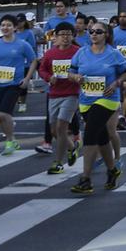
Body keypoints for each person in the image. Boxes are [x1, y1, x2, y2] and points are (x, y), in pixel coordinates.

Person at [68, 21, 126, 193]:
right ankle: (112, 170)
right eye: (91, 31)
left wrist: (116, 83)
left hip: (107, 99)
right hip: (86, 99)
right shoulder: (81, 52)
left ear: (106, 35)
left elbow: (125, 72)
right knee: (101, 138)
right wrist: (75, 77)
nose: (93, 34)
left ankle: (85, 178)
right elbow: (70, 71)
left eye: (98, 32)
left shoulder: (114, 54)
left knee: (91, 133)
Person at [0, 15, 38, 155]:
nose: (5, 28)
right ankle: (12, 140)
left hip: (14, 84)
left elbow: (34, 61)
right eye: (3, 25)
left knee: (4, 113)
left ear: (15, 28)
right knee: (0, 116)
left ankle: (10, 142)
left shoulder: (22, 44)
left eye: (9, 25)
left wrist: (27, 78)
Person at [38, 22, 81, 174]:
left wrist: (77, 77)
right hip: (54, 94)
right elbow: (42, 69)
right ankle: (71, 148)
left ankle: (57, 163)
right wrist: (49, 78)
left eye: (68, 34)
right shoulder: (50, 54)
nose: (65, 37)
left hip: (72, 94)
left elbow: (85, 67)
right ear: (55, 36)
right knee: (54, 131)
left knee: (62, 127)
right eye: (62, 34)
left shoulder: (78, 52)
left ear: (73, 36)